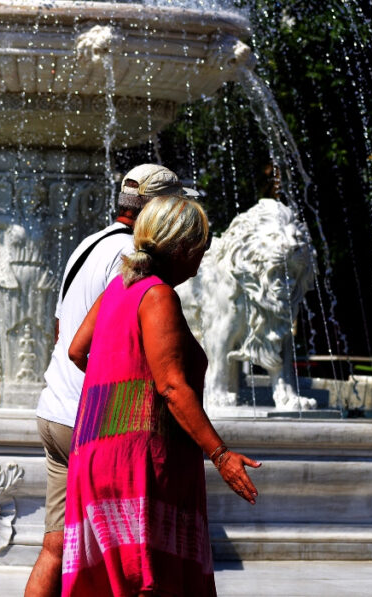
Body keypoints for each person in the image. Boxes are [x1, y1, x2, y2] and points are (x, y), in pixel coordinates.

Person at [62, 196, 261, 596]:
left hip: (96, 454)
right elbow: (172, 386)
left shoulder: (119, 287)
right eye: (201, 248)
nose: (203, 257)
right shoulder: (157, 296)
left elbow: (77, 350)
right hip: (140, 464)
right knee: (150, 582)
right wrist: (221, 455)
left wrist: (125, 393)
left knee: (113, 585)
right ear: (184, 248)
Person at [26, 164, 198, 597]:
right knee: (127, 566)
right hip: (96, 422)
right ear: (160, 211)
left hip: (55, 408)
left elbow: (65, 332)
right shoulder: (133, 262)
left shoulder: (87, 244)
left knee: (56, 549)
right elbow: (128, 355)